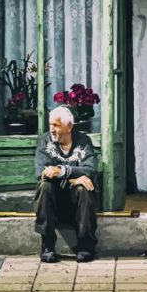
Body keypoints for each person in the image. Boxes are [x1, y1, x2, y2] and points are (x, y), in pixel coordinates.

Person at [34, 106, 100, 263]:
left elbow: (90, 170)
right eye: (50, 125)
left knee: (84, 187)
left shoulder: (83, 141)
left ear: (69, 126)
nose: (52, 129)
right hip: (53, 204)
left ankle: (85, 246)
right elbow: (43, 173)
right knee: (45, 186)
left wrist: (62, 171)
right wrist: (73, 178)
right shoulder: (45, 141)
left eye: (56, 125)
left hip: (77, 205)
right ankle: (47, 245)